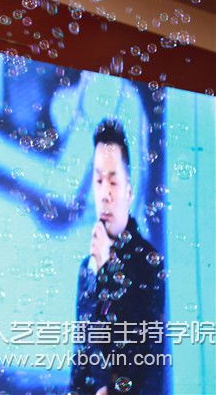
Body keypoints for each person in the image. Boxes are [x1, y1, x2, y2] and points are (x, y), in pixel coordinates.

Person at [70, 119, 166, 395]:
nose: (105, 194)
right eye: (98, 181)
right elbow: (81, 356)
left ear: (129, 191)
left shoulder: (148, 263)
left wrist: (104, 273)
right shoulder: (87, 266)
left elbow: (142, 361)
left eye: (113, 181)